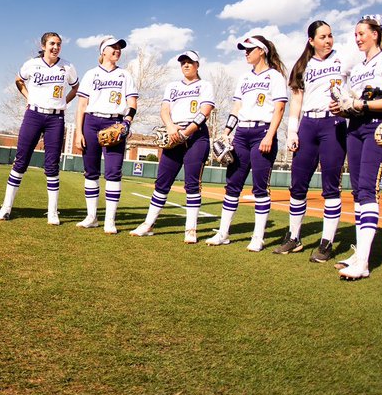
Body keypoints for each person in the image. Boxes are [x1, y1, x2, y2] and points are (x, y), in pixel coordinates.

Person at [208, 35, 287, 250]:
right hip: (241, 133)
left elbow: (279, 108)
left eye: (249, 49)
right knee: (233, 184)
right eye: (244, 49)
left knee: (260, 187)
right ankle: (223, 233)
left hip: (263, 131)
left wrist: (270, 136)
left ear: (261, 50)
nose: (246, 52)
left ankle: (257, 237)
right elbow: (236, 108)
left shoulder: (275, 77)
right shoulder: (244, 78)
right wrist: (226, 132)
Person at [332, 17, 382, 280]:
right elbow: (353, 102)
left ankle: (364, 262)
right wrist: (342, 105)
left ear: (375, 34)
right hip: (355, 128)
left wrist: (362, 106)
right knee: (358, 191)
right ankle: (360, 254)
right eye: (355, 34)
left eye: (361, 33)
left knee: (368, 189)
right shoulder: (358, 67)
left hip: (375, 128)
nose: (357, 38)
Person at [280, 21, 348, 259]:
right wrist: (292, 131)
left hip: (334, 123)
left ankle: (326, 242)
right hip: (308, 125)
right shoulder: (303, 65)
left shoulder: (344, 58)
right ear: (311, 40)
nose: (328, 40)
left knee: (331, 186)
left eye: (330, 35)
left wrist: (349, 104)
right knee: (298, 184)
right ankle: (294, 237)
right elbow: (296, 101)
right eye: (322, 37)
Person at [132, 50, 214, 241]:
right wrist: (171, 128)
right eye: (183, 62)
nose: (186, 65)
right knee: (162, 182)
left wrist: (185, 134)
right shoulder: (172, 86)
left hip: (196, 136)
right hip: (174, 134)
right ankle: (148, 224)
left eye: (190, 62)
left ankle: (190, 230)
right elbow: (165, 110)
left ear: (197, 65)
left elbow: (205, 112)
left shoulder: (205, 85)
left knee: (192, 184)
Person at [0, 32, 79, 224]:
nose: (55, 47)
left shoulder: (67, 66)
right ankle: (6, 207)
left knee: (52, 165)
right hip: (33, 115)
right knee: (21, 160)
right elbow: (19, 79)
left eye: (58, 44)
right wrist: (28, 97)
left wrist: (64, 102)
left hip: (56, 118)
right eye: (52, 43)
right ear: (43, 46)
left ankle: (52, 212)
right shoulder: (31, 64)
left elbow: (75, 88)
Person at [73, 36, 138, 233]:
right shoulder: (91, 74)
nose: (117, 50)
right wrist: (78, 132)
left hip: (115, 122)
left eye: (120, 48)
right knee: (91, 171)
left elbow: (133, 102)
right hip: (91, 122)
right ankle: (92, 217)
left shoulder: (125, 75)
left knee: (113, 172)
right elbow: (82, 106)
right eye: (113, 47)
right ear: (103, 51)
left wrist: (126, 122)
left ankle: (110, 220)